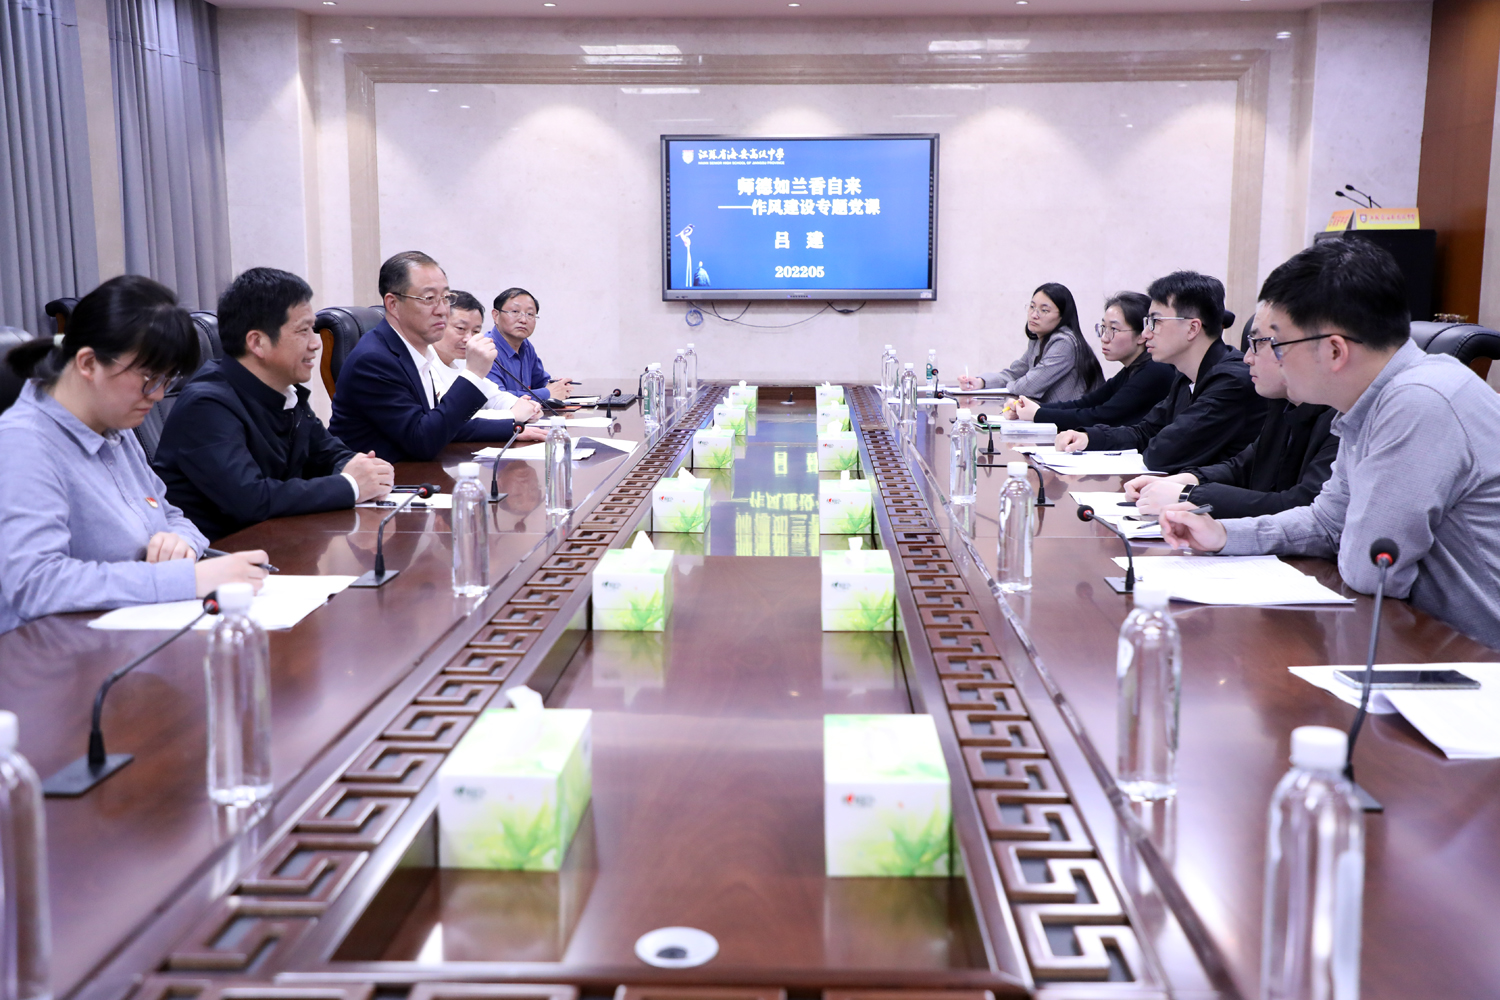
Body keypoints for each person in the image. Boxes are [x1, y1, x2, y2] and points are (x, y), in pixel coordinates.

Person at [1159, 240, 1500, 650]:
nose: (1272, 359)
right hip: (1421, 639)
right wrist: (1224, 535)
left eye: (1278, 345)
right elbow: (1326, 522)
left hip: (1475, 659)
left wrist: (1341, 536)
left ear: (1335, 350)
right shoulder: (1370, 403)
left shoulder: (1419, 402)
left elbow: (1371, 571)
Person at [0, 276, 268, 635]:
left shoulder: (114, 426)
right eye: (149, 378)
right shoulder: (24, 444)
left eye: (167, 380)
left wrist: (180, 544)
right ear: (88, 363)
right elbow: (36, 584)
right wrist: (185, 579)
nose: (157, 395)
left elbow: (172, 515)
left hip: (129, 633)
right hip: (51, 651)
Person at [154, 268, 396, 541]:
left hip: (280, 544)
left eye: (313, 329)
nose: (315, 343)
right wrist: (351, 485)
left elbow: (329, 454)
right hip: (221, 556)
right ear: (258, 342)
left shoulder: (286, 394)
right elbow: (251, 500)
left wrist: (365, 469)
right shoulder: (206, 406)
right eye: (303, 331)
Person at [1122, 303, 1338, 519]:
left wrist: (1188, 495)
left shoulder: (1339, 419)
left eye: (1258, 344)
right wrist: (1184, 481)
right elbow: (1241, 467)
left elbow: (1302, 506)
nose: (1247, 358)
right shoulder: (1282, 403)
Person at [330, 252, 544, 463]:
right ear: (393, 304)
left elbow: (440, 423)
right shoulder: (374, 360)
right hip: (386, 477)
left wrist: (510, 429)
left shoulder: (416, 352)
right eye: (429, 298)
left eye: (445, 298)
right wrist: (473, 374)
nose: (442, 310)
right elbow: (423, 440)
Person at [1054, 271, 1265, 474]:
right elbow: (1145, 431)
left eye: (1155, 322)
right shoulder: (1186, 376)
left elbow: (1162, 453)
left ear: (1192, 328)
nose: (1146, 334)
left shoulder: (1231, 381)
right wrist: (1090, 437)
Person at [1004, 292, 1175, 430]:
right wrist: (1031, 408)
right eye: (1103, 328)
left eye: (1114, 329)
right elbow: (1086, 403)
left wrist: (1038, 414)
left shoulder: (1155, 371)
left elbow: (1102, 416)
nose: (1104, 338)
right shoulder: (1131, 369)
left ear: (1142, 334)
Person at [956, 283, 1103, 403]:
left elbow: (1028, 387)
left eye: (1044, 310)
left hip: (1076, 424)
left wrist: (1012, 385)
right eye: (1032, 307)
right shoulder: (1039, 339)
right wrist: (981, 382)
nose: (1034, 315)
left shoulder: (1064, 343)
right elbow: (1015, 373)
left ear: (1062, 316)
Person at [433, 291, 544, 424]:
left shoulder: (463, 361)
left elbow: (492, 396)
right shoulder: (424, 363)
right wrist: (511, 414)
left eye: (475, 331)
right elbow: (447, 416)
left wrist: (523, 405)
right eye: (461, 328)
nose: (469, 339)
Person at [485, 287, 574, 402]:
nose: (523, 320)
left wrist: (558, 385)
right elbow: (496, 399)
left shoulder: (525, 346)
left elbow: (540, 382)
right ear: (496, 315)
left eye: (530, 314)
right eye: (515, 312)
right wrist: (547, 393)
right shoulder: (485, 350)